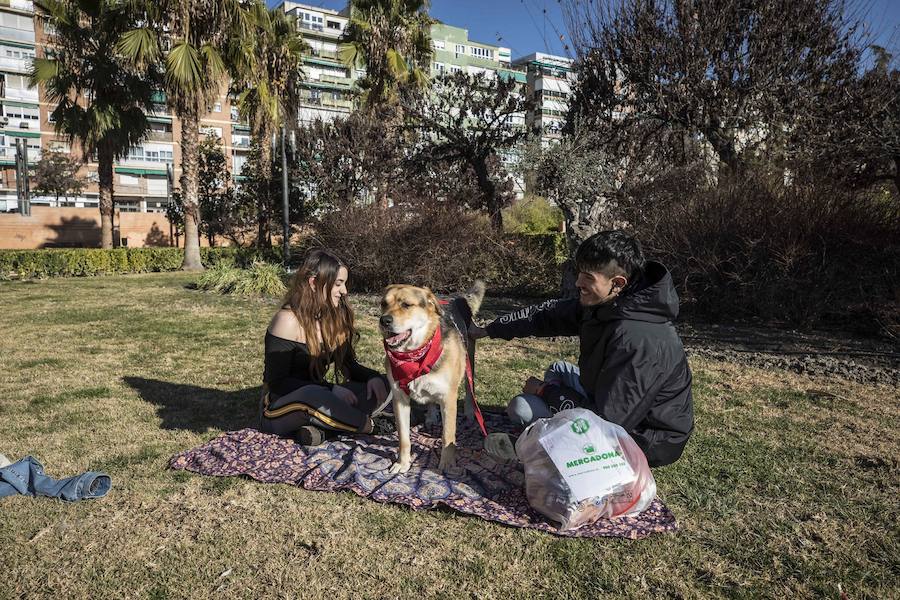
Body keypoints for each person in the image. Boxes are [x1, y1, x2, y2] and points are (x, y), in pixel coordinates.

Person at [470, 230, 694, 467]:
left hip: (646, 437)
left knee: (522, 408)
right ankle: (554, 423)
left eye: (588, 277)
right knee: (559, 369)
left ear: (617, 283)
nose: (578, 283)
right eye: (579, 273)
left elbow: (607, 423)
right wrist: (488, 330)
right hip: (609, 400)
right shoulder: (611, 303)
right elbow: (547, 315)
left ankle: (548, 448)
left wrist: (546, 392)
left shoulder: (638, 341)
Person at [258, 249, 389, 445]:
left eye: (344, 283)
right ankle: (371, 426)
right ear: (313, 283)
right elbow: (278, 383)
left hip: (322, 399)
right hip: (280, 407)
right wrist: (331, 388)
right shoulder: (286, 320)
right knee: (313, 395)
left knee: (388, 381)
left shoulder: (333, 317)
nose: (344, 291)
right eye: (338, 284)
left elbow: (349, 367)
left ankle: (323, 431)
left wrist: (374, 377)